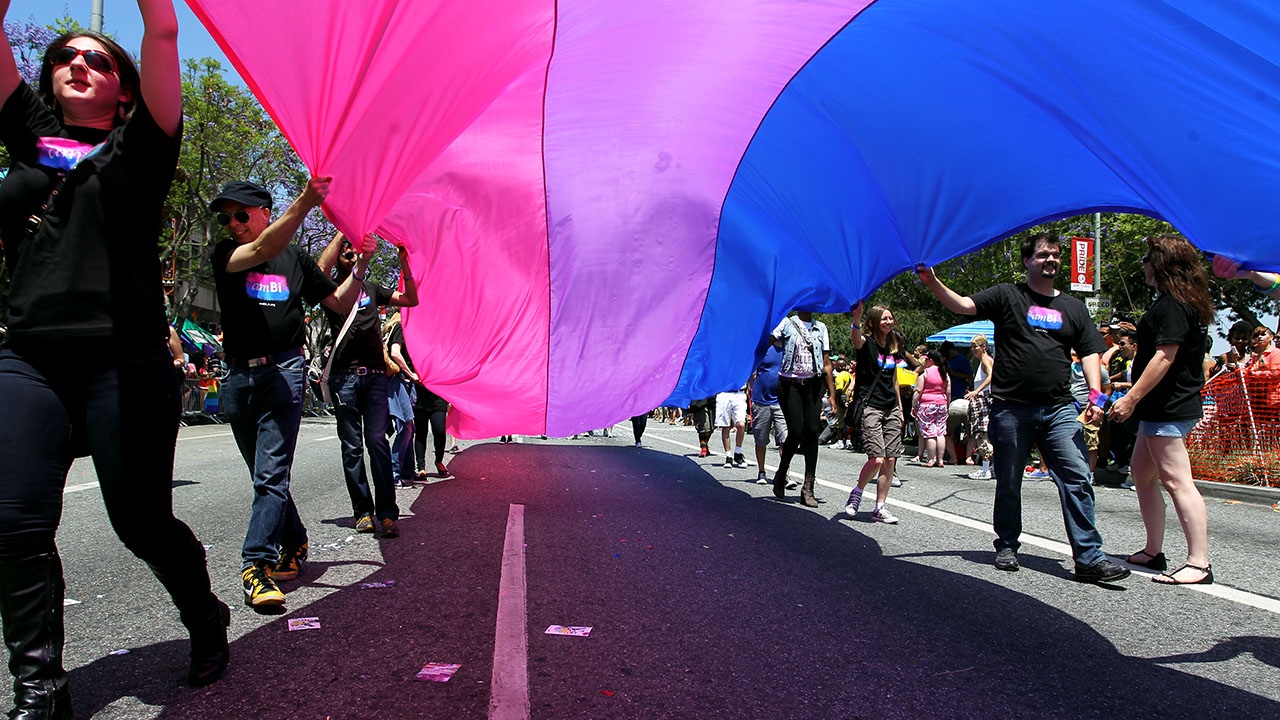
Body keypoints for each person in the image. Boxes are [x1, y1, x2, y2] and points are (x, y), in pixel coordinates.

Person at [0, 3, 231, 706]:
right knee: (14, 524)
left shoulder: (145, 146)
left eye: (97, 59)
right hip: (29, 357)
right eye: (65, 57)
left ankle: (204, 616)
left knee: (140, 523)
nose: (78, 63)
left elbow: (161, 31)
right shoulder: (33, 140)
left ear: (124, 91)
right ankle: (39, 687)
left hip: (124, 363)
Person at [917, 233, 1129, 582]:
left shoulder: (1073, 308)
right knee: (1010, 481)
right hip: (1012, 408)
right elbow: (962, 305)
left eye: (1056, 255)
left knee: (1076, 478)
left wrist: (1096, 397)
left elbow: (1091, 351)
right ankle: (1007, 545)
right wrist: (933, 281)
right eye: (1043, 254)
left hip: (1059, 409)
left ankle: (1089, 557)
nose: (1051, 260)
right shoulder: (1007, 295)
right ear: (1027, 261)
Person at [210, 179, 375, 609]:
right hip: (237, 378)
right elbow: (261, 249)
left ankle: (256, 566)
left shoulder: (297, 258)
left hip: (283, 372)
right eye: (226, 217)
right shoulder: (226, 253)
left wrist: (363, 267)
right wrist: (306, 202)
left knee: (270, 475)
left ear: (265, 211)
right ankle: (297, 540)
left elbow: (339, 303)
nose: (232, 224)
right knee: (264, 475)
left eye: (241, 214)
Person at [1109, 235, 1214, 584]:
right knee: (1142, 473)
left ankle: (1199, 563)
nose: (1143, 265)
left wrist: (1130, 398)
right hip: (1161, 408)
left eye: (1148, 259)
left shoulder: (1172, 304)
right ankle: (1154, 551)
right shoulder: (1184, 302)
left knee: (1176, 480)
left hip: (1168, 407)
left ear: (1163, 264)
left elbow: (1164, 357)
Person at [317, 233, 419, 539]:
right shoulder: (330, 288)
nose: (350, 251)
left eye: (353, 247)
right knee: (352, 447)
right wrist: (341, 231)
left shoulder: (373, 289)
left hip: (375, 377)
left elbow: (411, 299)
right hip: (343, 379)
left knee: (377, 442)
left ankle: (387, 513)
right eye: (345, 249)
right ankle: (362, 511)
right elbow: (319, 271)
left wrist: (405, 265)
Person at [845, 304, 915, 523]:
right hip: (871, 407)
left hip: (891, 408)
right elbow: (856, 338)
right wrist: (856, 317)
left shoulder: (894, 348)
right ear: (874, 322)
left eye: (891, 318)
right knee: (877, 459)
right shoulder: (867, 344)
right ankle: (857, 492)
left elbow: (894, 379)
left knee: (890, 460)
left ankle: (880, 507)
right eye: (884, 318)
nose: (888, 321)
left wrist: (901, 410)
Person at [770, 310, 837, 507]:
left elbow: (826, 363)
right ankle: (782, 472)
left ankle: (808, 487)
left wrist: (832, 395)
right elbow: (766, 342)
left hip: (813, 386)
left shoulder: (821, 328)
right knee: (796, 431)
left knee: (811, 432)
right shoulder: (785, 324)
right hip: (790, 385)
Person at [386, 317, 451, 478]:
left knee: (438, 430)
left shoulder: (439, 343)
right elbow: (395, 353)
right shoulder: (406, 333)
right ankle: (416, 468)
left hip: (437, 394)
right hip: (417, 391)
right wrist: (411, 375)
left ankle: (437, 461)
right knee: (416, 431)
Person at [382, 312, 417, 486]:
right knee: (406, 426)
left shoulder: (390, 328)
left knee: (409, 426)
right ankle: (394, 473)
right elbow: (395, 353)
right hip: (398, 381)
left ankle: (408, 470)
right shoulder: (400, 328)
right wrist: (410, 373)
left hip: (395, 382)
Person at [750, 343, 788, 484]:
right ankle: (761, 472)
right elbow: (751, 370)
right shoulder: (764, 347)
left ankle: (784, 474)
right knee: (761, 439)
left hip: (781, 401)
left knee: (784, 439)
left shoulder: (788, 349)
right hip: (761, 401)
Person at [912, 350, 950, 466]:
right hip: (942, 404)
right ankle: (940, 459)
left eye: (927, 359)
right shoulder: (945, 373)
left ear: (931, 360)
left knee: (930, 433)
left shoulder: (925, 373)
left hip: (927, 404)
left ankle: (931, 459)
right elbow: (948, 392)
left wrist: (913, 405)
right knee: (941, 432)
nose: (925, 361)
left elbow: (918, 391)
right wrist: (947, 405)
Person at [966, 335, 995, 479]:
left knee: (984, 434)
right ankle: (990, 469)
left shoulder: (985, 359)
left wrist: (977, 391)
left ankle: (985, 470)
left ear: (984, 347)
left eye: (975, 346)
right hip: (983, 400)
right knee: (985, 434)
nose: (973, 349)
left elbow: (991, 376)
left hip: (984, 400)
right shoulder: (982, 361)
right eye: (972, 346)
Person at [715, 384, 749, 468]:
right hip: (724, 393)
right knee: (725, 426)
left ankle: (738, 452)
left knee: (741, 424)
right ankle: (728, 456)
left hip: (739, 393)